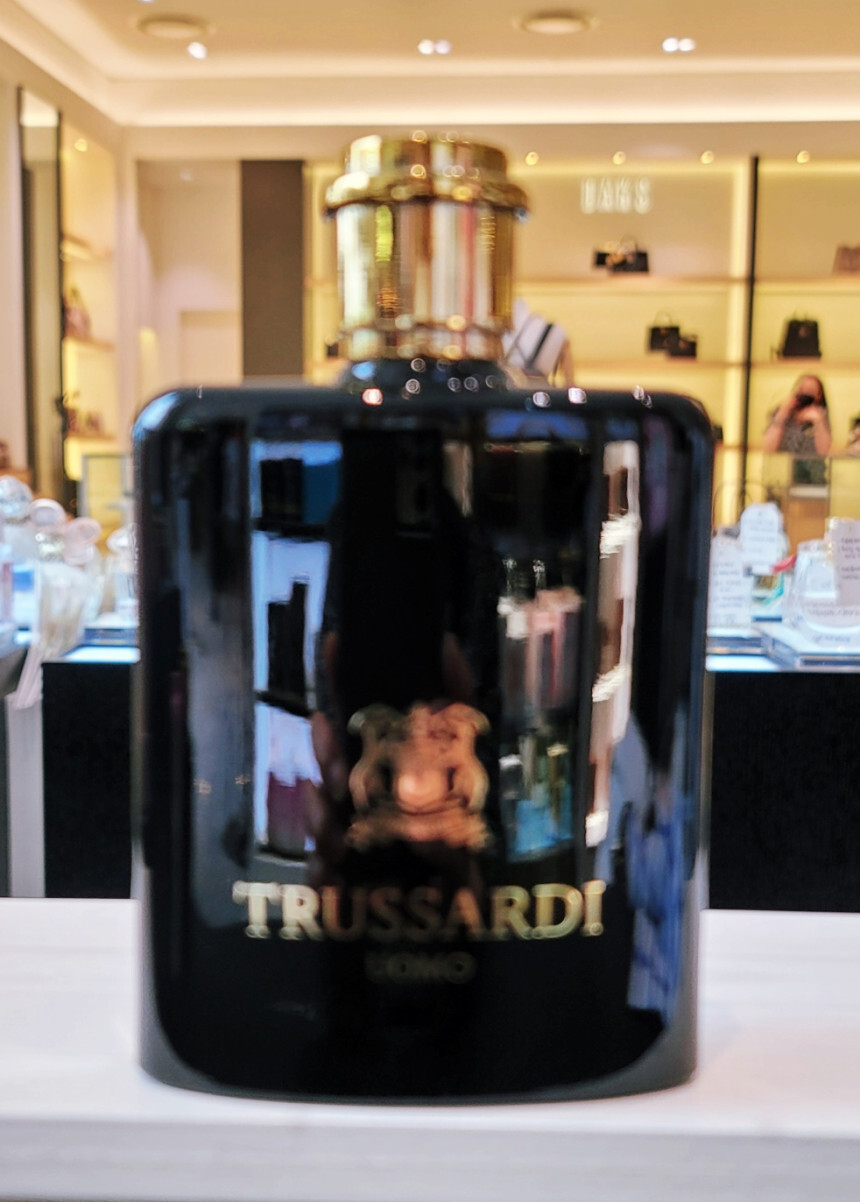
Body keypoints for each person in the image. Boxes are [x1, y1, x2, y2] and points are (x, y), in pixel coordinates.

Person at [762, 375, 832, 484]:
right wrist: (782, 414)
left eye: (810, 391)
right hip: (781, 480)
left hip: (814, 481)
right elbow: (768, 448)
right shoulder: (781, 413)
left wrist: (818, 421)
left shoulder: (821, 416)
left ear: (819, 396)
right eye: (802, 389)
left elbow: (824, 452)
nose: (805, 394)